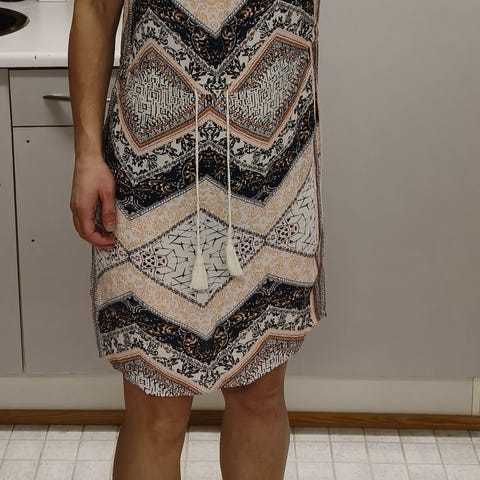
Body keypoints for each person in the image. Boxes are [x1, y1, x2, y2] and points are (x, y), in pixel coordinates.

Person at [67, 0, 326, 478]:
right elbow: (96, 9)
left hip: (273, 170)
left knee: (259, 392)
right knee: (156, 406)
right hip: (152, 167)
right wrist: (87, 153)